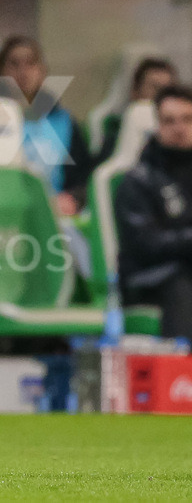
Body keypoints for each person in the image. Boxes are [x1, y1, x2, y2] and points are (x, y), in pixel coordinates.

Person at [115, 84, 192, 341]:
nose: (179, 128)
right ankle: (184, 363)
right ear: (157, 126)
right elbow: (145, 245)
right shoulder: (137, 181)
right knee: (181, 281)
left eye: (187, 119)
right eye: (169, 121)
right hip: (149, 280)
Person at [0, 35, 93, 216]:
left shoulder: (63, 122)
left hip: (54, 216)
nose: (23, 72)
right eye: (14, 64)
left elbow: (83, 179)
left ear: (42, 72)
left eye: (30, 63)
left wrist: (73, 199)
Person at [98, 57, 177, 162]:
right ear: (135, 92)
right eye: (156, 88)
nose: (163, 96)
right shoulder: (113, 133)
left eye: (169, 90)